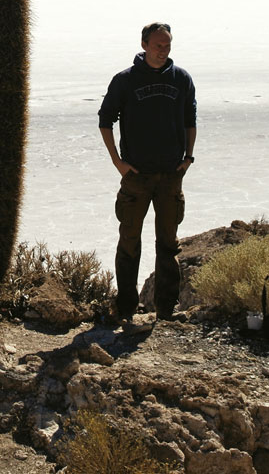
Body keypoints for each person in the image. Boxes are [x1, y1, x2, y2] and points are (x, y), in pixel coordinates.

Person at [98, 22, 197, 322]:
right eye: (157, 45)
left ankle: (165, 312)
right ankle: (125, 309)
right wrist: (118, 162)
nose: (162, 51)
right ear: (144, 45)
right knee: (129, 241)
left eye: (166, 46)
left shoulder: (181, 79)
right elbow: (105, 121)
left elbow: (190, 120)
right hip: (136, 177)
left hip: (170, 176)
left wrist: (188, 158)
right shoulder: (125, 81)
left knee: (168, 244)